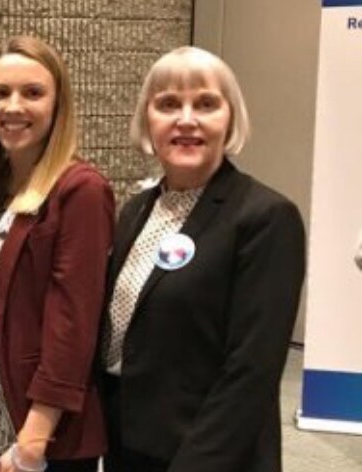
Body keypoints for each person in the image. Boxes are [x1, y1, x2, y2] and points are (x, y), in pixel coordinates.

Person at [101, 46, 306, 472]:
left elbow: (251, 371)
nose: (186, 119)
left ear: (230, 117)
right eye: (168, 104)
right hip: (131, 447)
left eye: (206, 103)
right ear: (147, 119)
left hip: (209, 457)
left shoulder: (265, 217)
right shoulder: (136, 210)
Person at [0, 36, 113, 472]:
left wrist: (34, 438)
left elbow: (73, 323)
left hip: (40, 440)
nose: (14, 106)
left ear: (58, 103)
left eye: (33, 93)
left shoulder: (80, 190)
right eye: (0, 93)